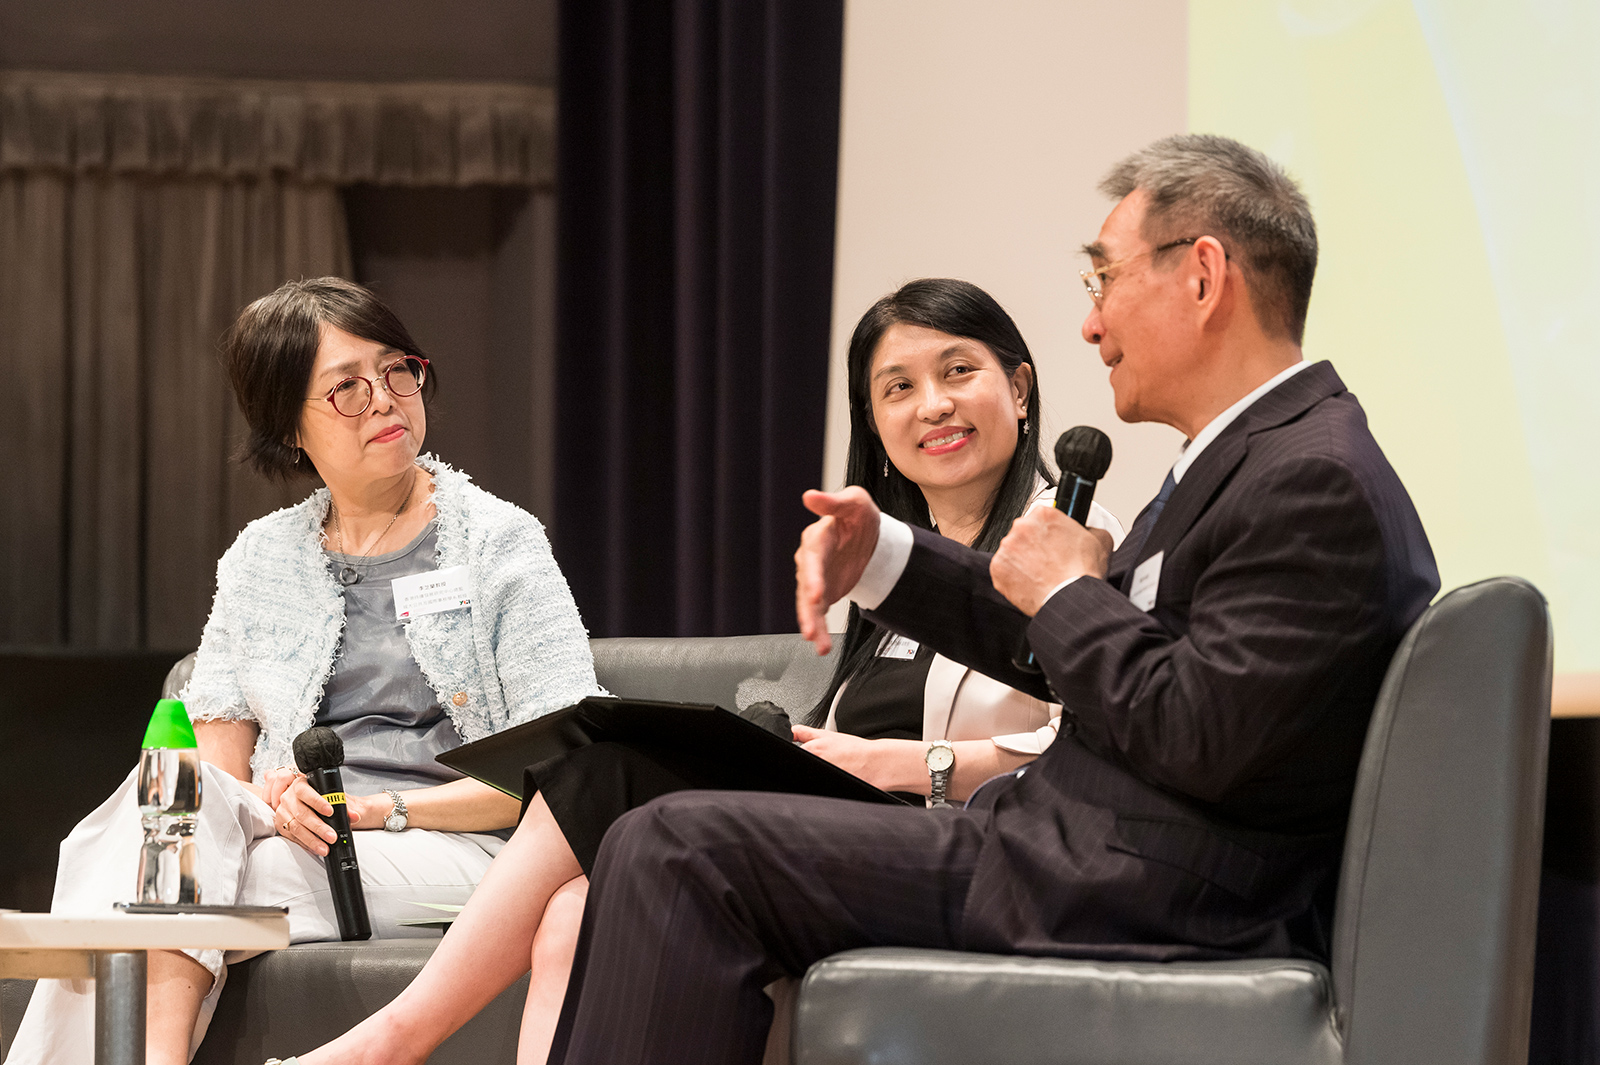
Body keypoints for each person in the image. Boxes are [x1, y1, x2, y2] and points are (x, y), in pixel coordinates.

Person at [537, 133, 1442, 1065]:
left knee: (678, 849)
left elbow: (1200, 731)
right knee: (666, 833)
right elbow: (1077, 651)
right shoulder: (1257, 458)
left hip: (1130, 883)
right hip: (1074, 851)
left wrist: (1068, 591)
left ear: (1203, 276)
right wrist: (884, 555)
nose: (1090, 326)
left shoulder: (1310, 479)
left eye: (1104, 280)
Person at [274, 278, 1119, 1065]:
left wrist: (905, 764)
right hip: (852, 831)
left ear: (1020, 387)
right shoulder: (887, 570)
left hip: (948, 842)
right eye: (898, 387)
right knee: (574, 909)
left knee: (605, 768)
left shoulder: (1076, 533)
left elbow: (1094, 757)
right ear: (875, 425)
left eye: (957, 371)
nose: (931, 404)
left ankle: (388, 1041)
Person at [6, 278, 601, 1065]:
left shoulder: (499, 541)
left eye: (397, 372)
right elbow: (212, 770)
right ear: (290, 425)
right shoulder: (262, 557)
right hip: (295, 838)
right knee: (165, 818)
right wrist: (272, 794)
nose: (386, 401)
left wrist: (377, 808)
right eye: (347, 389)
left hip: (457, 847)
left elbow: (568, 765)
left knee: (133, 878)